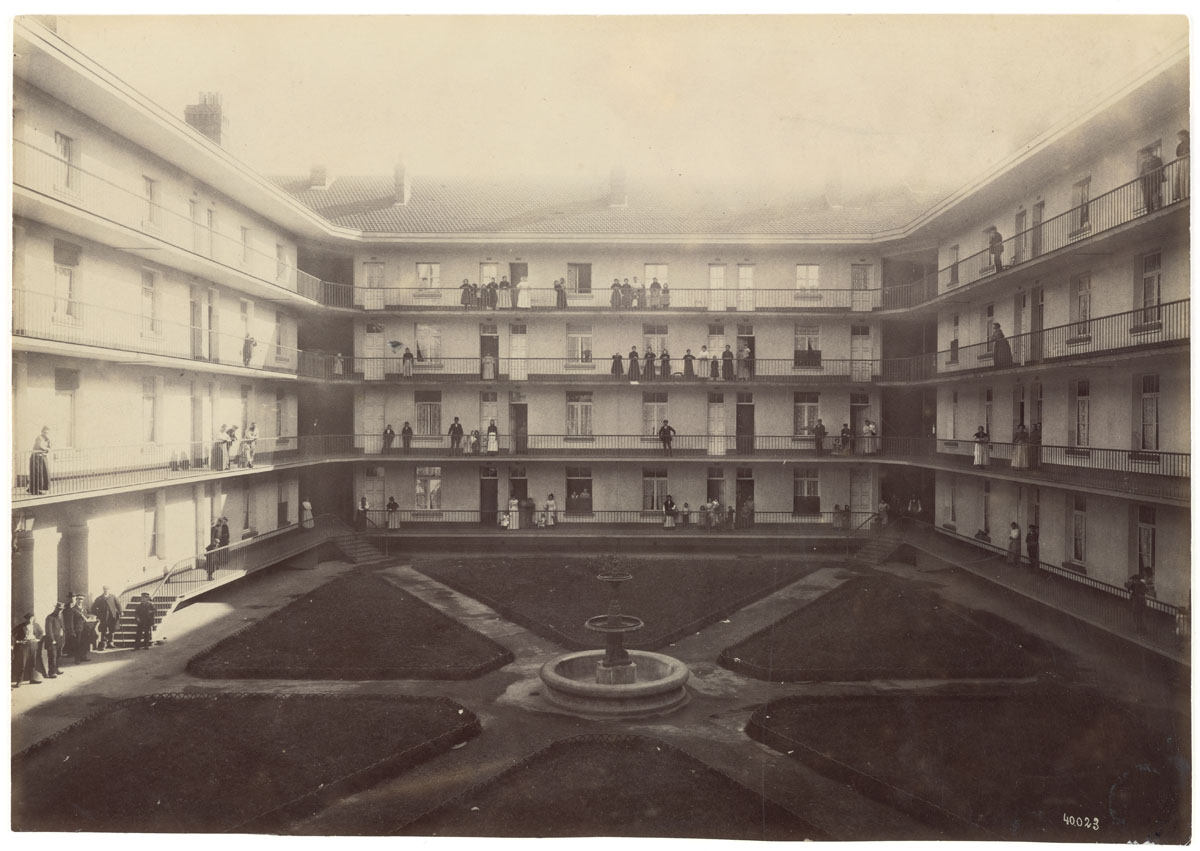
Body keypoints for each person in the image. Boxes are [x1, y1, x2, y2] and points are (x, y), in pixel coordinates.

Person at [12, 613, 44, 687]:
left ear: (34, 619)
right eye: (28, 619)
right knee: (22, 664)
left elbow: (41, 632)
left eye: (32, 619)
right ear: (26, 619)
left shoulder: (36, 625)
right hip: (24, 646)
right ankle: (19, 681)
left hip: (33, 644)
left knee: (32, 662)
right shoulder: (21, 626)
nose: (30, 620)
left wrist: (38, 639)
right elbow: (12, 633)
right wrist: (18, 641)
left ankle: (32, 679)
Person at [91, 585, 122, 651]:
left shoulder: (113, 597)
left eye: (107, 589)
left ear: (109, 590)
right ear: (103, 590)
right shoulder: (99, 598)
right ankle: (103, 644)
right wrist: (98, 615)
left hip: (112, 616)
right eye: (105, 589)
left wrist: (120, 612)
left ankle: (110, 643)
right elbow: (93, 608)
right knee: (103, 630)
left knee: (112, 629)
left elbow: (118, 605)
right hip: (103, 617)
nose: (106, 590)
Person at [65, 594, 91, 662]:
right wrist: (72, 631)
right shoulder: (73, 609)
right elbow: (70, 621)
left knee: (84, 643)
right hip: (77, 629)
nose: (80, 601)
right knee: (77, 644)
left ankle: (83, 657)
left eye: (81, 599)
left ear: (83, 600)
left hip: (85, 629)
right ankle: (77, 659)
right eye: (78, 599)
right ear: (76, 600)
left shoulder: (85, 608)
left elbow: (87, 616)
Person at [44, 602, 66, 677]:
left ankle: (57, 668)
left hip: (60, 639)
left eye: (61, 609)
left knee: (59, 655)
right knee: (52, 656)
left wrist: (63, 637)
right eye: (59, 609)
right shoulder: (50, 617)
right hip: (52, 641)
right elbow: (48, 630)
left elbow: (62, 626)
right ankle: (51, 672)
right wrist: (52, 640)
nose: (60, 611)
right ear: (55, 608)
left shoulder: (61, 616)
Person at [28, 426, 51, 495]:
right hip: (36, 457)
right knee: (37, 473)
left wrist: (48, 449)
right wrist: (46, 449)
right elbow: (40, 446)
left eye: (47, 433)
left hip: (42, 456)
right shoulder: (39, 437)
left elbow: (50, 447)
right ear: (42, 432)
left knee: (44, 472)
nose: (46, 434)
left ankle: (38, 488)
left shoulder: (47, 439)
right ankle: (34, 490)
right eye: (44, 432)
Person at [1140, 147, 1164, 213]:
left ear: (1149, 153)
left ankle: (1158, 209)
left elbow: (1161, 169)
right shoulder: (1144, 164)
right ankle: (1149, 211)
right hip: (1146, 183)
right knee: (1147, 198)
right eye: (1143, 155)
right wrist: (1142, 179)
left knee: (1155, 195)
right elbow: (1141, 173)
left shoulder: (1156, 159)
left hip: (1154, 181)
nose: (1143, 156)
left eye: (1144, 154)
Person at [1173, 130, 1189, 202]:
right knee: (1181, 178)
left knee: (1187, 177)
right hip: (1181, 162)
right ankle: (1183, 195)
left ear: (1184, 135)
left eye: (1180, 136)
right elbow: (1178, 154)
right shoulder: (1179, 145)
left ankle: (1187, 193)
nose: (1179, 138)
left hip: (1188, 161)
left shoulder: (1191, 141)